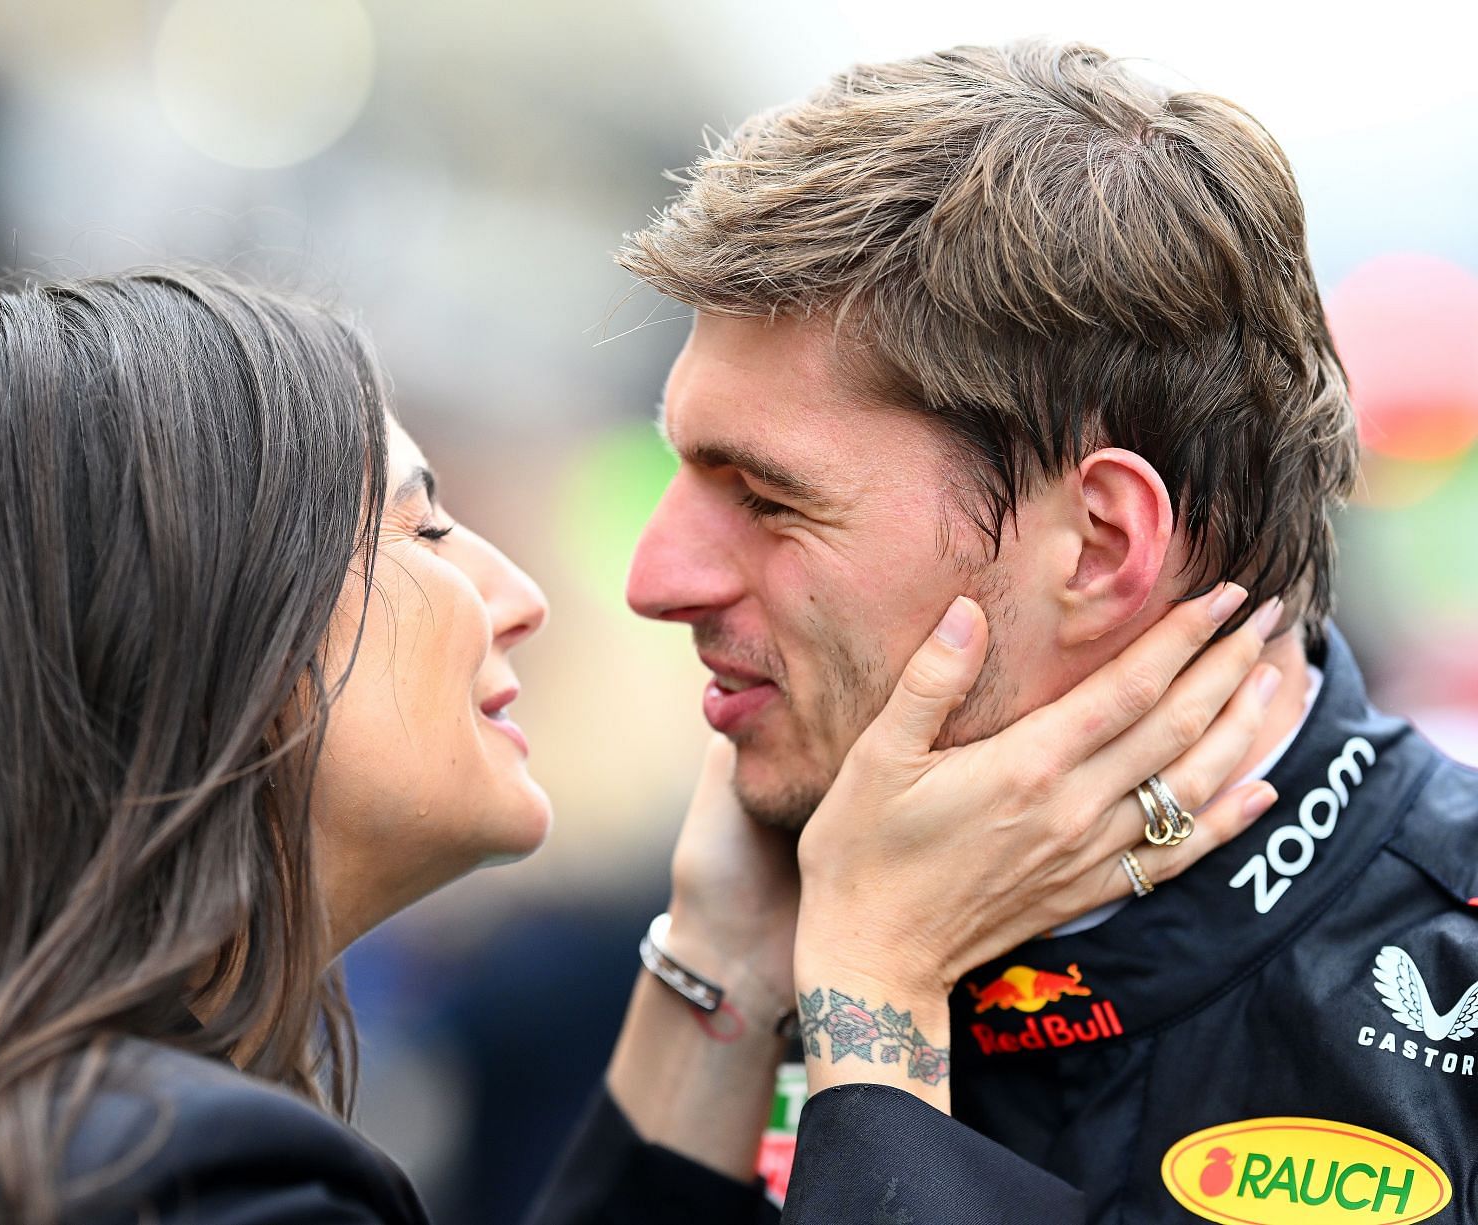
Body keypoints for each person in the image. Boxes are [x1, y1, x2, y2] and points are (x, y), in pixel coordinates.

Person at [0, 269, 1276, 1223]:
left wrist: (729, 963)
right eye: (428, 528)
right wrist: (878, 1000)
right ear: (205, 627)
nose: (535, 595)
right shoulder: (179, 1195)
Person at [616, 38, 1478, 1222]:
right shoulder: (748, 906)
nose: (654, 578)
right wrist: (720, 965)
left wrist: (876, 1002)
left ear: (1101, 545)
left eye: (768, 498)